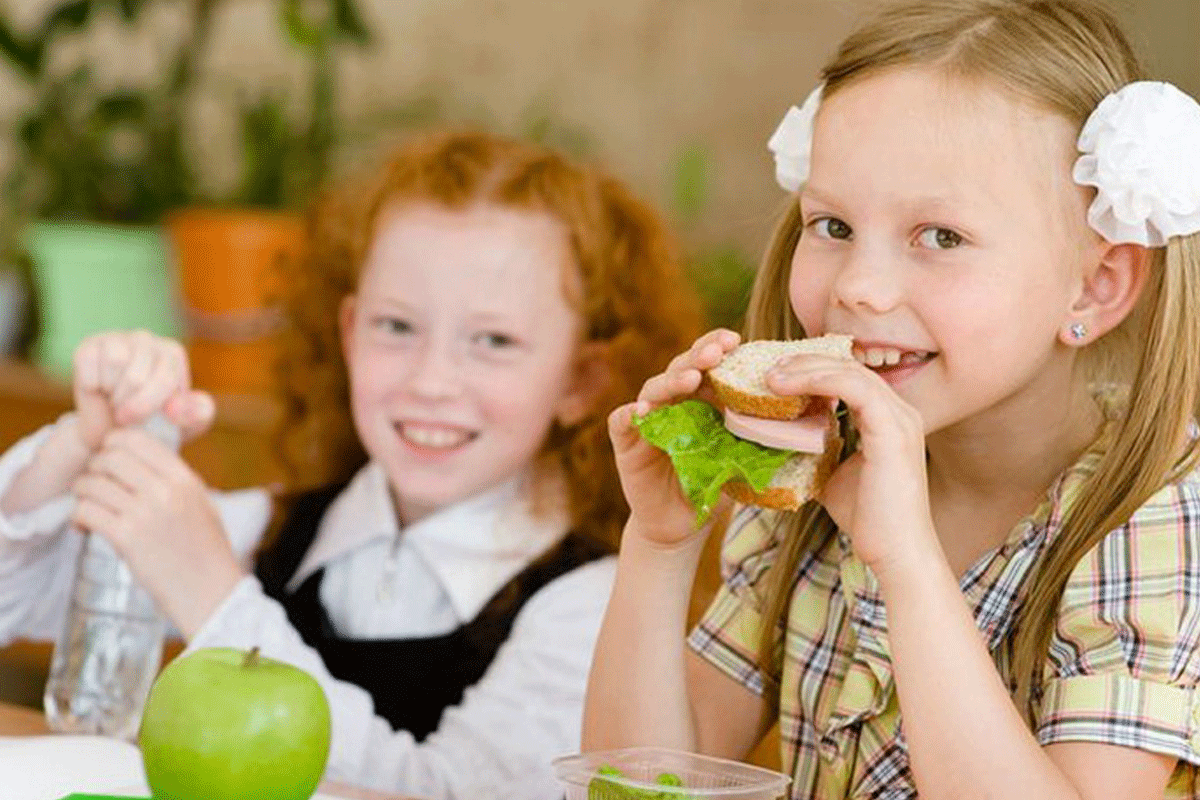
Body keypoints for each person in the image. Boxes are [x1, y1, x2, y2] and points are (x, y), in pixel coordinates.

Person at [583, 1, 1200, 798]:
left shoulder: (1156, 519)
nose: (859, 288)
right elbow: (643, 788)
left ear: (1096, 284)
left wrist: (906, 562)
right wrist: (660, 548)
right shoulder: (809, 479)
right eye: (832, 224)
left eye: (940, 237)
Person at [0, 129, 703, 799]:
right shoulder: (278, 526)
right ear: (349, 329)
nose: (431, 380)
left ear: (581, 379)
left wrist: (215, 593)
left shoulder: (589, 602)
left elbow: (452, 794)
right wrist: (79, 445)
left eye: (492, 340)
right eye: (396, 326)